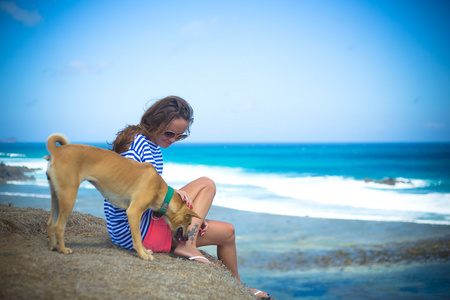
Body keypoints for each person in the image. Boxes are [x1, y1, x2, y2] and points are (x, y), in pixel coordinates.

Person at [104, 96, 271, 299]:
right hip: (136, 231)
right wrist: (171, 196)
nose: (173, 140)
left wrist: (189, 215)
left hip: (144, 223)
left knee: (227, 231)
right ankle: (187, 244)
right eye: (169, 133)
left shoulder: (150, 145)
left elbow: (150, 187)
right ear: (155, 122)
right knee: (206, 183)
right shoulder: (135, 147)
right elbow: (127, 193)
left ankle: (238, 287)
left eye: (179, 136)